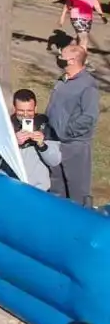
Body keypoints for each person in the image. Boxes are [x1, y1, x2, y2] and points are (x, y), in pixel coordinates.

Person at [47, 44, 99, 207]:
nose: (58, 59)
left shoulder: (88, 85)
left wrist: (66, 132)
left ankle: (82, 221)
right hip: (55, 142)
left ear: (72, 60)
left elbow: (89, 117)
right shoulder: (63, 79)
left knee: (77, 192)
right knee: (57, 189)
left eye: (61, 56)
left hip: (75, 146)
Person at [11, 89, 63, 192]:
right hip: (10, 186)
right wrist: (13, 142)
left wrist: (42, 145)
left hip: (37, 189)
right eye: (21, 110)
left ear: (35, 108)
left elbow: (55, 161)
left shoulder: (45, 126)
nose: (25, 115)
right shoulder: (6, 125)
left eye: (29, 111)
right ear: (14, 108)